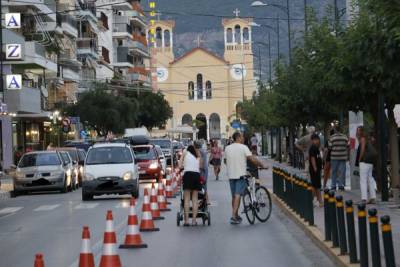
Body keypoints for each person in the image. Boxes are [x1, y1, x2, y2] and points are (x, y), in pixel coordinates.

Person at [225, 132, 266, 225]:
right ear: (238, 137)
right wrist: (262, 165)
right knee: (238, 195)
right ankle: (233, 216)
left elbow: (225, 161)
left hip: (231, 175)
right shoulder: (243, 147)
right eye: (242, 137)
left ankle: (236, 215)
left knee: (234, 196)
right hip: (240, 175)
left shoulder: (227, 148)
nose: (243, 138)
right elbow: (252, 159)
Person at [180, 145, 202, 226]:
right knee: (195, 199)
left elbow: (179, 165)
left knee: (186, 199)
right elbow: (200, 167)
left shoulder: (185, 153)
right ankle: (194, 220)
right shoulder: (197, 155)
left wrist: (183, 163)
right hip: (196, 175)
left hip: (188, 175)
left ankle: (186, 221)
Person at [356, 126, 377, 204]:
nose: (357, 132)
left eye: (358, 130)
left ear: (361, 132)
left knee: (363, 180)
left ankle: (364, 199)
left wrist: (359, 159)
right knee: (370, 179)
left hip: (364, 161)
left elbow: (362, 149)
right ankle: (373, 197)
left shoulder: (363, 139)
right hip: (370, 162)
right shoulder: (367, 139)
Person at [309, 134, 323, 207]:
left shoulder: (316, 148)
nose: (318, 141)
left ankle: (316, 200)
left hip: (317, 169)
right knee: (316, 186)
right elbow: (312, 158)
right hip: (315, 170)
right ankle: (319, 201)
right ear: (313, 140)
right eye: (317, 140)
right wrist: (315, 168)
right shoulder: (313, 148)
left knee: (316, 185)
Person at [196, 140, 209, 205]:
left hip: (202, 170)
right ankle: (206, 199)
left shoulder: (200, 151)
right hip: (205, 169)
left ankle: (205, 200)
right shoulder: (203, 150)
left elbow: (201, 162)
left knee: (202, 185)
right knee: (204, 185)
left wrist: (199, 168)